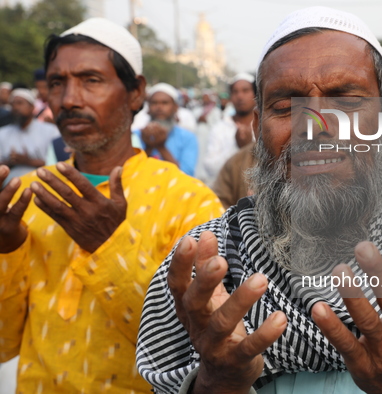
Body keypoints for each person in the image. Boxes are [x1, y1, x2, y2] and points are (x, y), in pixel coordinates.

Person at [136, 7, 382, 394]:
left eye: (346, 100)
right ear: (258, 127)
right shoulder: (206, 271)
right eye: (285, 105)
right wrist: (218, 382)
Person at [0, 18, 223, 393]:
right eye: (57, 83)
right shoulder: (28, 194)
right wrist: (7, 251)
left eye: (91, 80)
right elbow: (4, 344)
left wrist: (109, 247)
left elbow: (194, 350)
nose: (69, 99)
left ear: (136, 93)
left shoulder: (188, 200)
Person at [201, 73, 256, 185]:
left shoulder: (265, 125)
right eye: (235, 92)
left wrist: (249, 147)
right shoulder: (220, 128)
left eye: (245, 91)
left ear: (256, 94)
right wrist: (238, 147)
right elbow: (210, 168)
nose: (240, 96)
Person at [134, 83, 199, 176]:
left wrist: (161, 147)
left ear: (175, 107)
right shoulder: (135, 135)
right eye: (154, 103)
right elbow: (131, 172)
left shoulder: (188, 138)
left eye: (165, 103)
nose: (159, 107)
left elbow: (187, 175)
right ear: (148, 107)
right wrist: (149, 148)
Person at [0, 88, 60, 185]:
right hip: (9, 187)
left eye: (20, 103)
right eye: (13, 104)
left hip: (44, 186)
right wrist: (10, 162)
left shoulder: (50, 130)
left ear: (32, 107)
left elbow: (59, 162)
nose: (15, 107)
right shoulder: (3, 132)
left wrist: (28, 161)